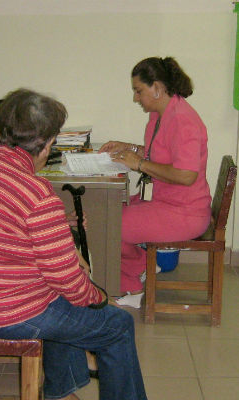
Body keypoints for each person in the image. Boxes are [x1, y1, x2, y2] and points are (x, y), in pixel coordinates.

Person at [0, 88, 147, 400]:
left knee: (57, 301)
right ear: (47, 144)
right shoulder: (37, 192)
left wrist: (60, 226)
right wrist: (101, 298)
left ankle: (61, 393)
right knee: (116, 325)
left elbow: (5, 230)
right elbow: (69, 282)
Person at [99, 56, 212, 308]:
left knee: (109, 226)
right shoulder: (160, 114)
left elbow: (186, 175)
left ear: (157, 88)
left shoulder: (184, 121)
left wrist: (138, 164)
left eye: (139, 91)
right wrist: (127, 147)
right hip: (165, 201)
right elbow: (158, 153)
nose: (135, 98)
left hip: (185, 212)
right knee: (107, 212)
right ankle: (141, 269)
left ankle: (132, 284)